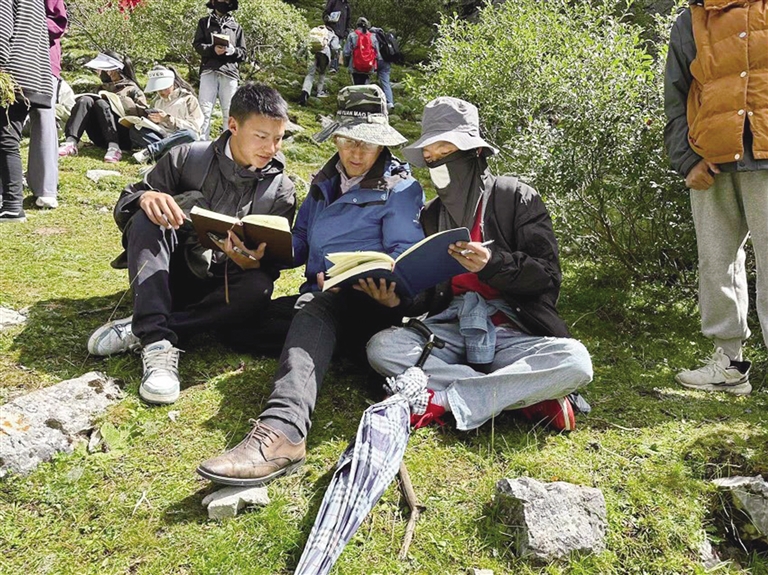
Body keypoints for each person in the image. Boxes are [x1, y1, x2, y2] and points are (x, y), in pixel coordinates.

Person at [196, 85, 426, 487]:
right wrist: (261, 248)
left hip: (370, 304)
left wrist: (389, 291)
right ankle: (338, 353)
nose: (356, 152)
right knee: (239, 324)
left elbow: (403, 257)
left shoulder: (401, 188)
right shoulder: (324, 181)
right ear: (336, 138)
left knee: (316, 310)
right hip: (318, 297)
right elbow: (300, 243)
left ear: (382, 142)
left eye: (368, 143)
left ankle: (284, 430)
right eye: (349, 140)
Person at [366, 97, 594, 432]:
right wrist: (396, 301)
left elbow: (547, 278)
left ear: (474, 152)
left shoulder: (515, 196)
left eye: (445, 151)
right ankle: (521, 394)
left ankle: (443, 399)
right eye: (429, 157)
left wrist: (492, 264)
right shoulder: (432, 214)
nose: (437, 162)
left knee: (576, 362)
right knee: (382, 348)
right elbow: (429, 295)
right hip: (451, 330)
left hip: (512, 332)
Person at [86, 83, 296, 406]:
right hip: (169, 273)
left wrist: (253, 261)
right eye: (261, 136)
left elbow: (272, 261)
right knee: (147, 218)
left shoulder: (281, 189)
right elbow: (127, 201)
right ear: (233, 125)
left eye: (278, 139)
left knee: (258, 286)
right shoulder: (187, 157)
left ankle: (146, 327)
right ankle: (157, 342)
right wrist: (145, 197)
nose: (271, 148)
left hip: (223, 288)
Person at [664, 0, 767, 396]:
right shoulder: (690, 20)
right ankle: (729, 366)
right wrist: (686, 160)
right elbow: (675, 96)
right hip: (712, 162)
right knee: (715, 264)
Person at [0, 0, 53, 222]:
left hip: (11, 74)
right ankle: (9, 201)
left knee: (6, 139)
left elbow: (2, 29)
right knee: (7, 138)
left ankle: (13, 205)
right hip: (33, 74)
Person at [58, 51, 148, 163]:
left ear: (111, 71)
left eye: (100, 70)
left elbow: (143, 115)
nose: (98, 73)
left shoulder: (132, 90)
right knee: (85, 100)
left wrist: (121, 103)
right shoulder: (100, 88)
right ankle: (71, 142)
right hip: (100, 137)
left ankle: (114, 148)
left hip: (123, 137)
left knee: (101, 103)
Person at [27, 0, 67, 210]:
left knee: (44, 118)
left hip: (44, 60)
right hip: (9, 61)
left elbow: (59, 22)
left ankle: (45, 189)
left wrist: (25, 29)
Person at [193, 0, 246, 140]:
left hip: (230, 72)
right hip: (209, 70)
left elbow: (243, 53)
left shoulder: (236, 27)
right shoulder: (204, 22)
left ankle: (227, 144)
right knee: (204, 110)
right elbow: (197, 45)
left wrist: (233, 51)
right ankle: (201, 143)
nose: (224, 2)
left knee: (229, 111)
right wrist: (212, 49)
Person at [130, 66, 204, 164]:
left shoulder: (188, 99)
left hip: (179, 138)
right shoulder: (156, 101)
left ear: (172, 83)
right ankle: (165, 154)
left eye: (164, 88)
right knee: (135, 129)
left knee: (190, 135)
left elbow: (194, 127)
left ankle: (152, 151)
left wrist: (167, 119)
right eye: (158, 89)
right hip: (161, 137)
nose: (161, 92)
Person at [298, 24, 339, 106]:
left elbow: (306, 43)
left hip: (312, 51)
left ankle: (305, 92)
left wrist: (299, 54)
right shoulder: (333, 34)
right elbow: (334, 48)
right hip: (324, 52)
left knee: (310, 74)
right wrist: (334, 57)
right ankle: (319, 92)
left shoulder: (314, 30)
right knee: (322, 73)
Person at [343, 17, 379, 86]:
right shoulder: (373, 36)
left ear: (357, 25)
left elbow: (346, 52)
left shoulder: (352, 35)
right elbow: (377, 54)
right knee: (365, 86)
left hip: (355, 66)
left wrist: (346, 64)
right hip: (369, 66)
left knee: (356, 86)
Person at [321, 0, 350, 73]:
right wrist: (327, 18)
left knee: (336, 50)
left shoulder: (347, 5)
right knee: (329, 48)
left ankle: (334, 67)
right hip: (331, 29)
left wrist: (346, 31)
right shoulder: (333, 1)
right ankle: (324, 65)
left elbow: (348, 20)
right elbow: (326, 12)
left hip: (341, 32)